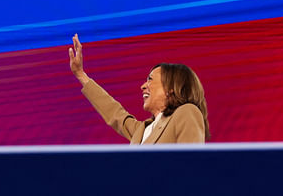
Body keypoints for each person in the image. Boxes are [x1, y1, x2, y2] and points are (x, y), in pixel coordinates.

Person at [69, 34, 210, 144]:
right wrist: (81, 75)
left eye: (150, 79)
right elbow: (115, 114)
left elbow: (191, 166)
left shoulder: (187, 112)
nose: (143, 86)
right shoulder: (142, 130)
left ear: (171, 88)